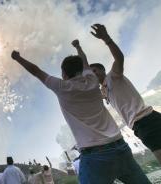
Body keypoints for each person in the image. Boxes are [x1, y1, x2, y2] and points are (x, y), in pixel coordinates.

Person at [11, 48, 151, 183]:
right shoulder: (92, 80)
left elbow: (36, 71)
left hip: (95, 155)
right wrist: (78, 46)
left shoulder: (61, 86)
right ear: (82, 71)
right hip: (120, 147)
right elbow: (84, 60)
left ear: (64, 74)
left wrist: (18, 58)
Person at [75, 23, 161, 164]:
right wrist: (78, 48)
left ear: (102, 70)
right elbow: (84, 67)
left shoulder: (113, 76)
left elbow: (119, 58)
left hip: (147, 120)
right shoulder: (102, 90)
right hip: (139, 127)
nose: (93, 74)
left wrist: (106, 38)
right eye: (91, 73)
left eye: (95, 71)